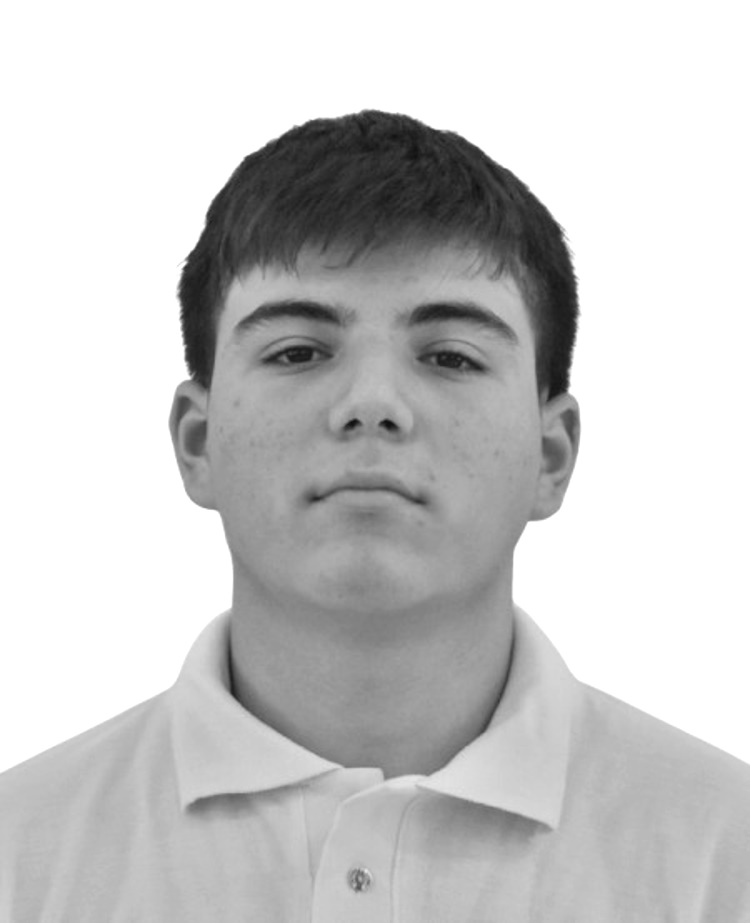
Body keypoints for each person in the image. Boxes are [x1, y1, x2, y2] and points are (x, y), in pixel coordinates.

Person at [1, 109, 748, 922]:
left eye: (452, 356)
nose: (372, 403)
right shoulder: (19, 856)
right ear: (197, 440)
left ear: (551, 453)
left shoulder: (726, 856)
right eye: (297, 351)